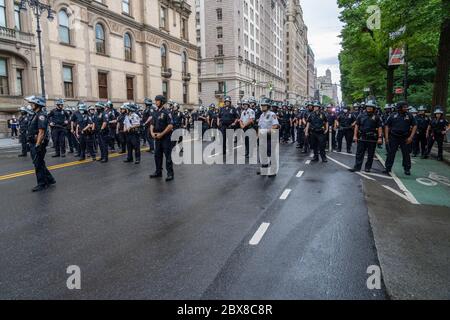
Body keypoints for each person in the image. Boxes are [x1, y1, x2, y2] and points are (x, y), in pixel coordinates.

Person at [24, 96, 56, 192]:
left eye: (32, 103)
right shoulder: (36, 114)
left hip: (38, 143)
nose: (31, 105)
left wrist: (38, 145)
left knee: (38, 164)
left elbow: (41, 132)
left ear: (37, 104)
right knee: (40, 162)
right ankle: (50, 179)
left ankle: (42, 184)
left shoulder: (41, 115)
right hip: (34, 142)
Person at [384, 101, 418, 175]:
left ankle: (407, 169)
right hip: (393, 137)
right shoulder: (393, 115)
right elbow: (387, 125)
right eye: (404, 107)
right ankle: (388, 168)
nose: (406, 108)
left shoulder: (409, 115)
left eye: (406, 106)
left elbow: (415, 125)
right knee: (391, 153)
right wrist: (386, 138)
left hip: (405, 137)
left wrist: (411, 137)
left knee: (406, 154)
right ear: (399, 108)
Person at [349, 101, 383, 173]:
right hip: (362, 137)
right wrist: (355, 136)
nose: (369, 108)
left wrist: (380, 137)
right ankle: (357, 167)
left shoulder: (377, 117)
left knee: (370, 154)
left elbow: (380, 127)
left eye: (371, 107)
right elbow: (357, 126)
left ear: (373, 108)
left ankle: (368, 167)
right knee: (359, 153)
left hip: (372, 138)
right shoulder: (361, 115)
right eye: (368, 107)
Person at [150, 95, 175, 181]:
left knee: (168, 156)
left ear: (162, 102)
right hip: (157, 137)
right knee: (157, 155)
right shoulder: (155, 112)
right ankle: (158, 172)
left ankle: (170, 174)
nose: (156, 102)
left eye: (158, 100)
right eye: (156, 100)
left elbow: (170, 125)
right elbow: (152, 124)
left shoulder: (167, 112)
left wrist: (162, 133)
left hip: (166, 138)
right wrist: (152, 133)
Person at [257, 97, 280, 176]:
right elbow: (259, 126)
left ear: (268, 106)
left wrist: (266, 131)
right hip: (263, 137)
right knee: (263, 153)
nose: (262, 107)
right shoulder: (261, 115)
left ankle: (273, 171)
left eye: (264, 105)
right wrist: (258, 136)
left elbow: (275, 125)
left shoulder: (272, 114)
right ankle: (264, 169)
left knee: (271, 154)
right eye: (262, 105)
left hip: (271, 136)